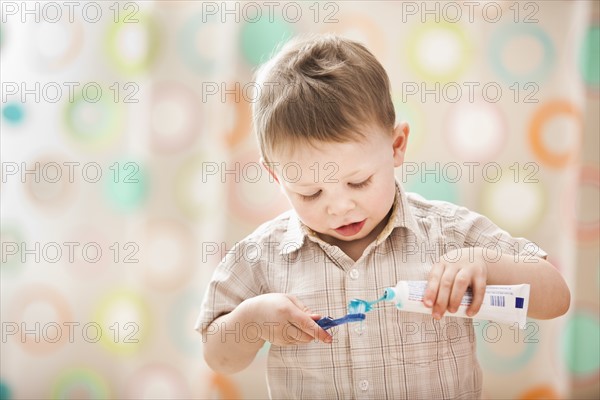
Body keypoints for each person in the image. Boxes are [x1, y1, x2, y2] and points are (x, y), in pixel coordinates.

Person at [196, 34, 570, 399]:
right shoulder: (262, 256)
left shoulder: (448, 233)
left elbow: (557, 297)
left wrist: (485, 264)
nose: (339, 207)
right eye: (310, 192)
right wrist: (251, 320)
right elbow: (218, 357)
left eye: (358, 182)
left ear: (396, 146)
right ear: (277, 177)